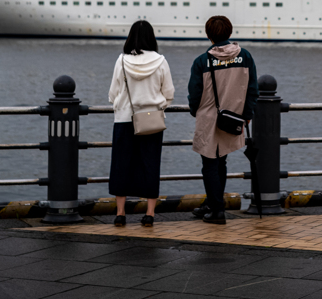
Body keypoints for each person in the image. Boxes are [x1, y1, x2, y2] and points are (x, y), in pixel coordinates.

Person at [188, 15, 259, 224]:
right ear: (229, 32)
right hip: (234, 117)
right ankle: (214, 205)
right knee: (222, 161)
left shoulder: (202, 61)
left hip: (209, 118)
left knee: (209, 164)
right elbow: (252, 90)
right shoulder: (245, 56)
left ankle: (216, 210)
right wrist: (246, 116)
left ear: (209, 35)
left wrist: (196, 112)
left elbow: (195, 94)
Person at [108, 20, 175, 227]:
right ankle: (150, 214)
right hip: (151, 120)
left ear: (131, 37)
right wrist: (157, 105)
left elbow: (113, 93)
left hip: (124, 119)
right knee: (150, 164)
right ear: (151, 37)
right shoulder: (161, 61)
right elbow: (169, 93)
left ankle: (120, 214)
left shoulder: (121, 61)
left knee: (122, 165)